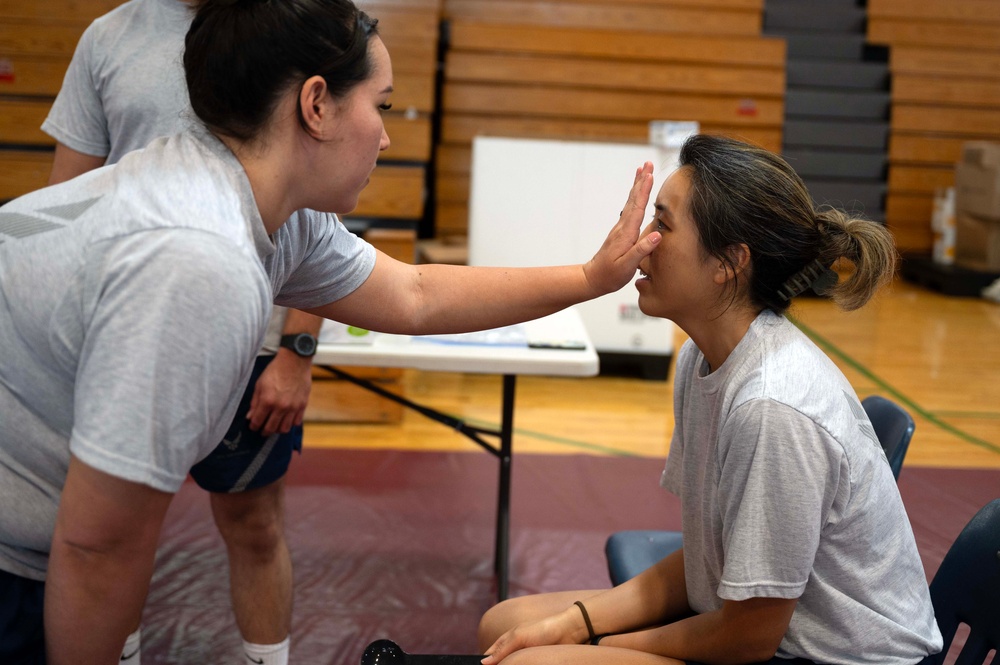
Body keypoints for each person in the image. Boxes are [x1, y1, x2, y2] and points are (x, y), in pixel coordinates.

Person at [0, 0, 662, 662]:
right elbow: (98, 547)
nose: (387, 137)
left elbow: (416, 294)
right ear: (316, 105)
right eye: (382, 106)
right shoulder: (200, 257)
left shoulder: (261, 205)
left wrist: (590, 276)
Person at [477, 134, 944, 665]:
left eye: (663, 225)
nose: (642, 242)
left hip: (824, 657)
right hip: (758, 633)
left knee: (532, 662)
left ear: (728, 262)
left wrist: (598, 643)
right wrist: (572, 623)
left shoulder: (773, 407)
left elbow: (748, 638)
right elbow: (706, 560)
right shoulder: (700, 362)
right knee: (505, 624)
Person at [38, 1, 321, 662]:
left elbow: (316, 197)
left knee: (253, 523)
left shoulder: (288, 24)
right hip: (126, 334)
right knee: (114, 531)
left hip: (250, 339)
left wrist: (297, 349)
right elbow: (66, 195)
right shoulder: (110, 38)